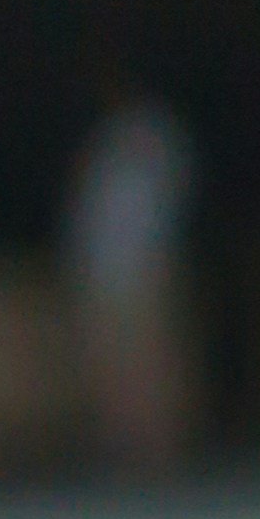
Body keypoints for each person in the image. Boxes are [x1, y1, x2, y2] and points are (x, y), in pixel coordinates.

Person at [59, 91, 200, 486]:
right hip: (107, 269)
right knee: (110, 360)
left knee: (150, 358)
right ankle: (122, 445)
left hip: (141, 266)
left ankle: (157, 449)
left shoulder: (154, 140)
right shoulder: (108, 152)